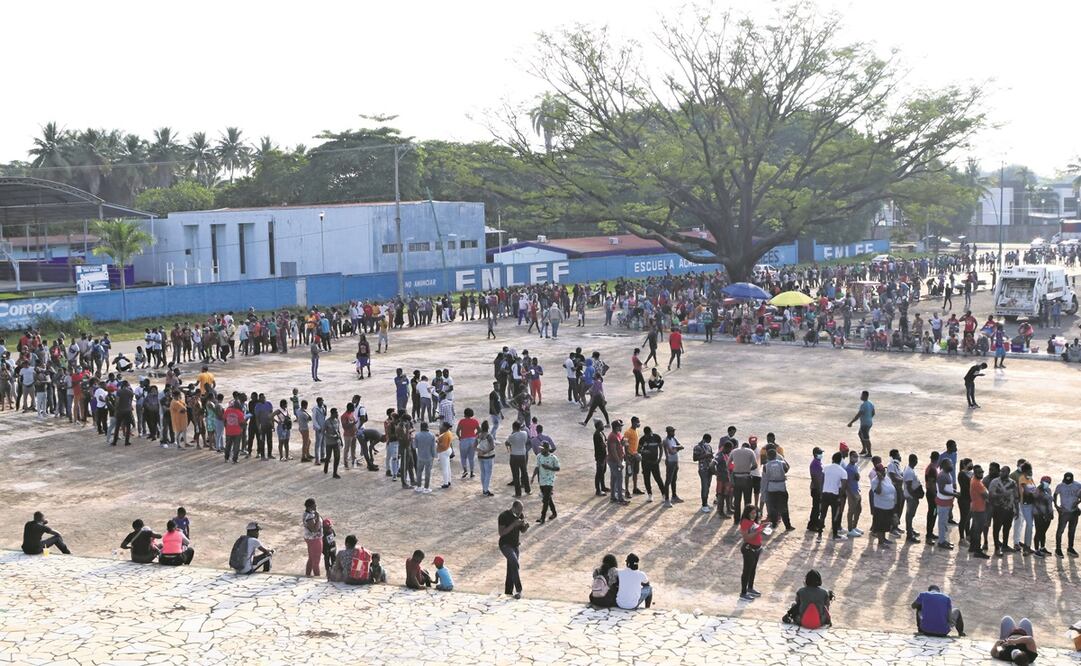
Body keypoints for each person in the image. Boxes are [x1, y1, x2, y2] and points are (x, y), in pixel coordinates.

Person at [498, 500, 529, 599]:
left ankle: (508, 592)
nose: (520, 513)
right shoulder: (503, 516)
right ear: (513, 508)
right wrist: (513, 525)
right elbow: (501, 533)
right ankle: (519, 590)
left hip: (515, 545)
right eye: (519, 510)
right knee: (514, 562)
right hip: (505, 545)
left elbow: (522, 530)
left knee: (511, 568)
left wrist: (525, 527)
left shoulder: (520, 515)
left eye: (521, 511)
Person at [739, 505, 766, 601]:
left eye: (755, 513)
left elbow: (756, 529)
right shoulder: (745, 522)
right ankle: (743, 592)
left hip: (756, 549)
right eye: (752, 513)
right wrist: (759, 532)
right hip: (749, 549)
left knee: (752, 570)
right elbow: (746, 538)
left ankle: (750, 588)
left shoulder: (753, 522)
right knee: (747, 571)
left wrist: (763, 526)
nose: (754, 515)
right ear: (748, 513)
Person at [1054, 471, 1081, 557]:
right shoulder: (1060, 486)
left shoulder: (1078, 485)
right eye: (1066, 480)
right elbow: (1055, 495)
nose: (1067, 482)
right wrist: (1057, 506)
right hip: (1064, 512)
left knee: (1072, 531)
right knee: (1060, 531)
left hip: (1074, 512)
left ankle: (1070, 548)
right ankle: (1058, 549)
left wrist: (1078, 502)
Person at [535, 441, 560, 524]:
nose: (541, 450)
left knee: (545, 500)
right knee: (547, 498)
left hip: (550, 481)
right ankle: (554, 512)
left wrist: (549, 467)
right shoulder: (539, 456)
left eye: (543, 449)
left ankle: (542, 517)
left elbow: (558, 468)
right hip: (542, 480)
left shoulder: (553, 458)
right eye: (541, 449)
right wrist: (532, 477)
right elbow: (537, 467)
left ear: (547, 449)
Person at [846, 390, 875, 457]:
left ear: (865, 396)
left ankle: (869, 453)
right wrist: (869, 418)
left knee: (866, 438)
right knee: (860, 434)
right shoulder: (871, 403)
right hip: (869, 423)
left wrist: (851, 422)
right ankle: (864, 449)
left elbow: (858, 415)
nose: (861, 396)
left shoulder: (863, 405)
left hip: (865, 424)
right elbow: (873, 413)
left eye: (862, 395)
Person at [302, 498, 323, 577]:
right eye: (314, 504)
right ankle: (317, 577)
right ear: (311, 506)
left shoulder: (308, 513)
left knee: (311, 558)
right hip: (315, 539)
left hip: (310, 539)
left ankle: (307, 575)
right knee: (316, 561)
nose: (316, 506)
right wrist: (317, 518)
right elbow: (314, 529)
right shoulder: (310, 516)